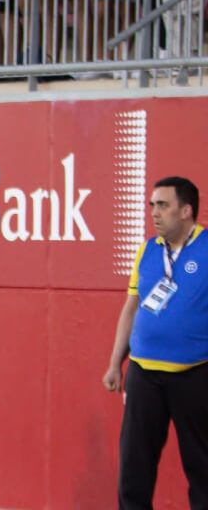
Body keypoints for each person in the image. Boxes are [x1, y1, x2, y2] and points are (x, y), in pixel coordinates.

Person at [102, 176, 208, 509]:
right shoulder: (147, 250)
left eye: (163, 205)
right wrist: (114, 362)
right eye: (151, 205)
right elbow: (132, 306)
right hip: (143, 374)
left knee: (202, 466)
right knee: (134, 465)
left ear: (186, 210)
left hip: (195, 374)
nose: (154, 212)